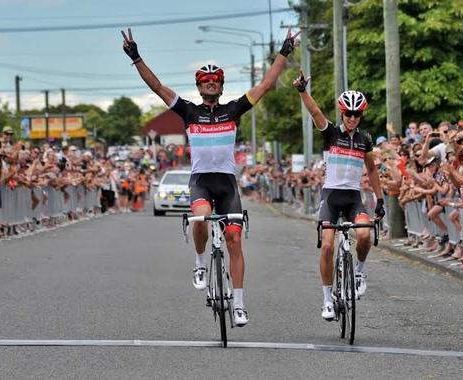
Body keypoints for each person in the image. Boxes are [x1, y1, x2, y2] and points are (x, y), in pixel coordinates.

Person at [121, 27, 300, 327]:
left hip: (227, 183)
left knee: (234, 239)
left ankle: (240, 304)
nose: (211, 84)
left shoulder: (233, 110)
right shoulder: (189, 112)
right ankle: (200, 262)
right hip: (201, 181)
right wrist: (136, 57)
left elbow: (267, 85)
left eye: (215, 81)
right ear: (199, 86)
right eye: (206, 81)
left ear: (221, 85)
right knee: (201, 217)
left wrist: (284, 51)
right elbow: (158, 88)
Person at [292, 71, 385, 321]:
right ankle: (326, 300)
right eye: (348, 114)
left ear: (361, 115)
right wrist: (302, 90)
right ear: (342, 113)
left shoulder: (365, 139)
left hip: (353, 197)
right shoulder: (331, 133)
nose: (352, 118)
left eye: (356, 114)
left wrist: (380, 200)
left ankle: (359, 272)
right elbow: (315, 112)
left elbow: (373, 170)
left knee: (365, 234)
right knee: (328, 246)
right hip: (331, 196)